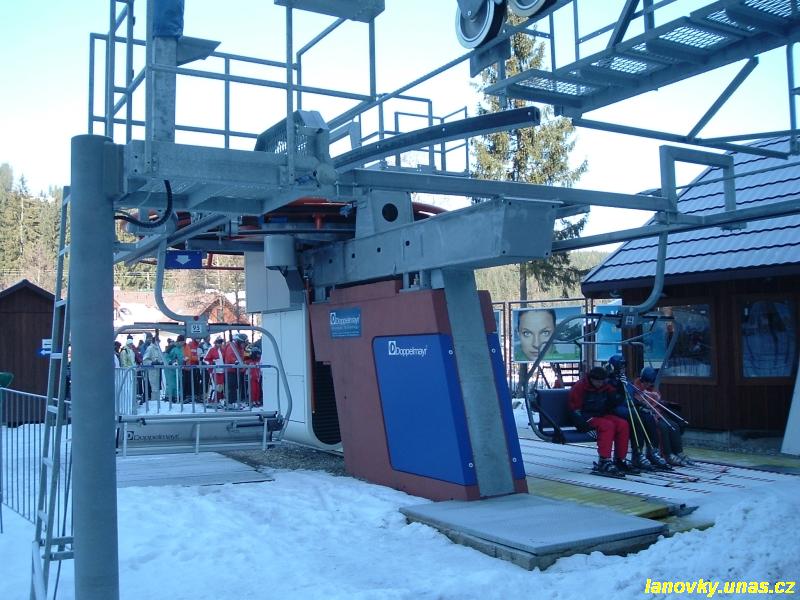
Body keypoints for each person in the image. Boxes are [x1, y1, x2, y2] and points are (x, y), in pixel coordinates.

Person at [606, 355, 670, 471]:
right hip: (615, 408)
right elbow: (614, 398)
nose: (623, 369)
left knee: (648, 416)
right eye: (620, 367)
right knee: (636, 417)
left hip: (627, 407)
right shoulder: (609, 380)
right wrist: (619, 384)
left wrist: (641, 404)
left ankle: (652, 451)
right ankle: (637, 454)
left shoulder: (625, 380)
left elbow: (630, 396)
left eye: (624, 367)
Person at [568, 366, 633, 476]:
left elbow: (615, 401)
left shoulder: (605, 386)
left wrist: (620, 387)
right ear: (591, 379)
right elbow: (574, 410)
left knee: (622, 424)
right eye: (598, 381)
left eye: (602, 381)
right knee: (607, 425)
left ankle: (620, 459)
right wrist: (584, 427)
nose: (600, 384)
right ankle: (604, 460)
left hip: (601, 415)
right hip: (586, 417)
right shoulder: (580, 387)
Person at [632, 367, 693, 466]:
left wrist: (655, 398)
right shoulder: (636, 387)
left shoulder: (652, 386)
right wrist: (651, 398)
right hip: (647, 415)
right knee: (663, 427)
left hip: (657, 413)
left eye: (650, 383)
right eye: (647, 382)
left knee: (674, 426)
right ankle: (667, 454)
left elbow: (657, 399)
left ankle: (678, 452)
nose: (648, 385)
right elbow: (640, 402)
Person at [223, 333, 249, 406]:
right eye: (243, 343)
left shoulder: (240, 348)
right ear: (240, 342)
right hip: (231, 370)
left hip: (237, 370)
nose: (244, 345)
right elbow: (230, 357)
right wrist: (237, 362)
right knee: (232, 387)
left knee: (236, 386)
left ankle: (234, 401)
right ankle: (229, 402)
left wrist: (244, 363)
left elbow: (241, 357)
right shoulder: (232, 347)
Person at [141, 336, 163, 403]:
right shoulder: (150, 348)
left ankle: (157, 401)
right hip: (151, 371)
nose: (159, 342)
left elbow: (161, 358)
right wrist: (152, 362)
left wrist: (161, 362)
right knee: (153, 386)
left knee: (157, 387)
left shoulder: (158, 349)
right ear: (155, 341)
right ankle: (153, 401)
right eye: (158, 341)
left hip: (158, 370)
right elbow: (145, 360)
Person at [203, 337, 226, 403]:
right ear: (215, 343)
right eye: (218, 342)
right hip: (213, 371)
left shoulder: (222, 350)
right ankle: (210, 400)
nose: (219, 344)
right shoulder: (211, 349)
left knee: (220, 386)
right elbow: (205, 359)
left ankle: (217, 399)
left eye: (220, 343)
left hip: (221, 370)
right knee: (214, 386)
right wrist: (211, 363)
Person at [163, 337, 184, 403]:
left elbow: (180, 357)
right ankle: (169, 397)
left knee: (177, 383)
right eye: (182, 342)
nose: (183, 344)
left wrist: (183, 360)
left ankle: (176, 396)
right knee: (171, 383)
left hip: (177, 369)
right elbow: (166, 357)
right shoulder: (171, 347)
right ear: (179, 342)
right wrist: (170, 362)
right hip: (170, 369)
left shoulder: (180, 348)